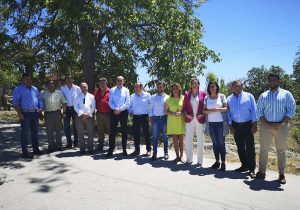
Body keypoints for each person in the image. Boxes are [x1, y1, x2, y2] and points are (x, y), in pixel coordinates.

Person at [256, 73, 296, 184]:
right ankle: (261, 172)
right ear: (268, 82)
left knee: (281, 151)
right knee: (263, 149)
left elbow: (291, 109)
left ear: (278, 81)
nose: (272, 82)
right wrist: (266, 123)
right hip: (266, 126)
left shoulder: (286, 94)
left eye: (274, 80)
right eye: (270, 80)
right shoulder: (263, 95)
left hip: (281, 126)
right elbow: (259, 111)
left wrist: (282, 123)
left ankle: (281, 174)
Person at [227, 80, 257, 178]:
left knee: (250, 148)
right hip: (236, 126)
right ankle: (244, 165)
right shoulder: (229, 99)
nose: (237, 88)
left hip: (248, 125)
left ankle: (252, 169)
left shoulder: (249, 96)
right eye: (235, 86)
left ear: (242, 86)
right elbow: (228, 114)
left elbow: (254, 111)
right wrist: (230, 126)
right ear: (232, 88)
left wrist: (254, 124)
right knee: (240, 147)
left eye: (239, 86)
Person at [12, 73, 44, 158]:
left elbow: (39, 99)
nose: (29, 81)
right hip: (25, 113)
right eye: (27, 79)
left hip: (35, 113)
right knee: (25, 133)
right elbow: (15, 102)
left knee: (35, 133)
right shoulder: (18, 89)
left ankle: (35, 149)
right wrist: (20, 114)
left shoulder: (35, 89)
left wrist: (41, 108)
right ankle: (25, 151)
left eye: (30, 79)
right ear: (22, 79)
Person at [203, 81, 228, 170]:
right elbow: (203, 110)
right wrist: (210, 111)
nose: (212, 88)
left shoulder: (221, 96)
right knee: (215, 143)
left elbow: (225, 109)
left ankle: (223, 163)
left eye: (214, 86)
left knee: (221, 143)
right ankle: (217, 161)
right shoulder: (206, 98)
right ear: (209, 88)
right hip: (211, 124)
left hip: (221, 123)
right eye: (210, 87)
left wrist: (218, 109)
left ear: (217, 87)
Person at [183, 78, 206, 166]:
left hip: (200, 119)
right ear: (191, 85)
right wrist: (187, 115)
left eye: (196, 83)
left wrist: (202, 114)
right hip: (190, 119)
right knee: (188, 139)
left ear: (198, 84)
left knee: (201, 140)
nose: (194, 84)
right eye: (193, 83)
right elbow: (184, 107)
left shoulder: (203, 94)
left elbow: (205, 106)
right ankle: (189, 160)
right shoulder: (187, 94)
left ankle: (200, 161)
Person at [105, 76, 130, 157]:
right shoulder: (112, 90)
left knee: (124, 132)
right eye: (118, 80)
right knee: (112, 132)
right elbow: (110, 101)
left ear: (123, 81)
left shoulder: (126, 90)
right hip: (114, 112)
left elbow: (127, 102)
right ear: (116, 81)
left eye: (121, 80)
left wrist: (120, 109)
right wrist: (115, 109)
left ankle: (124, 150)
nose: (119, 82)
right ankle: (110, 150)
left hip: (123, 112)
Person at [41, 80, 67, 153]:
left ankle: (59, 145)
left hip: (57, 113)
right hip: (48, 114)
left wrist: (64, 112)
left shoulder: (59, 92)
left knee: (58, 130)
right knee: (49, 131)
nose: (51, 85)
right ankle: (51, 146)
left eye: (53, 84)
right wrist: (41, 112)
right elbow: (39, 102)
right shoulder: (43, 93)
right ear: (47, 85)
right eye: (49, 84)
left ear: (55, 85)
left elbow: (64, 102)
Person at [128, 82, 152, 156]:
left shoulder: (147, 95)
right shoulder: (132, 96)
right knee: (136, 134)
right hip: (135, 117)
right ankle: (137, 150)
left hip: (144, 116)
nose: (135, 88)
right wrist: (130, 111)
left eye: (137, 87)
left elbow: (151, 105)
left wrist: (151, 116)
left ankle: (148, 150)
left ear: (141, 88)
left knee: (146, 133)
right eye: (135, 87)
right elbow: (130, 106)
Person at [149, 81, 170, 161]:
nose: (159, 88)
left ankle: (166, 153)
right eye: (158, 87)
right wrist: (151, 118)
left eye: (161, 87)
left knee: (165, 137)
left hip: (165, 119)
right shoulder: (153, 97)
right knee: (154, 137)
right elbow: (150, 108)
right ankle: (154, 153)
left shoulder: (168, 97)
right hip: (155, 119)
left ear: (164, 87)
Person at [165, 83, 185, 163]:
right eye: (173, 89)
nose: (175, 90)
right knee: (175, 140)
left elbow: (186, 109)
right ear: (172, 90)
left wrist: (181, 113)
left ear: (179, 89)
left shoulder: (183, 98)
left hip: (181, 121)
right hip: (172, 121)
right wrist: (173, 113)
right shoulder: (168, 99)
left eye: (176, 88)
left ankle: (182, 156)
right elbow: (166, 111)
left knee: (181, 140)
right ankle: (177, 156)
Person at [74, 82, 96, 155]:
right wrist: (82, 113)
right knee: (80, 133)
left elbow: (93, 106)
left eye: (85, 87)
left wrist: (87, 114)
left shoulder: (92, 96)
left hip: (89, 116)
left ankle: (90, 148)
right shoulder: (77, 96)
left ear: (87, 87)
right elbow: (75, 107)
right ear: (80, 88)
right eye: (82, 87)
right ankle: (82, 148)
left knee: (90, 132)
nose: (84, 88)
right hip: (79, 116)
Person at [61, 74, 81, 148]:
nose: (69, 79)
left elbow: (81, 99)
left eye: (70, 78)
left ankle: (76, 142)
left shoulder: (77, 88)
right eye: (67, 78)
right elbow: (62, 100)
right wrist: (63, 110)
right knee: (66, 126)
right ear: (65, 79)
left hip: (75, 109)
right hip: (66, 109)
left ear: (72, 79)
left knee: (76, 127)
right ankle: (69, 143)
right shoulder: (62, 89)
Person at [93, 77, 111, 151]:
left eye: (104, 83)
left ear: (106, 83)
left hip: (109, 114)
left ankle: (111, 145)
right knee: (100, 130)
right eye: (101, 83)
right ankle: (101, 144)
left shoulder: (111, 91)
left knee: (110, 130)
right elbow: (93, 102)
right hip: (99, 114)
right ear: (99, 84)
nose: (102, 84)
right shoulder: (96, 91)